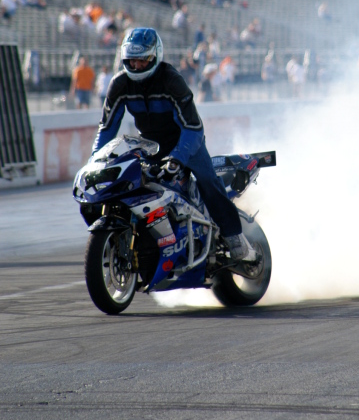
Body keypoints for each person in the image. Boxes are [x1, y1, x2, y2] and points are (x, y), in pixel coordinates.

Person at [91, 27, 256, 260]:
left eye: (142, 60)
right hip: (149, 146)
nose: (136, 65)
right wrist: (96, 159)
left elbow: (194, 128)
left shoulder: (172, 81)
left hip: (186, 142)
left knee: (208, 180)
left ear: (155, 56)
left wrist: (178, 157)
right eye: (131, 60)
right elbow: (107, 128)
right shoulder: (119, 85)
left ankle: (234, 236)